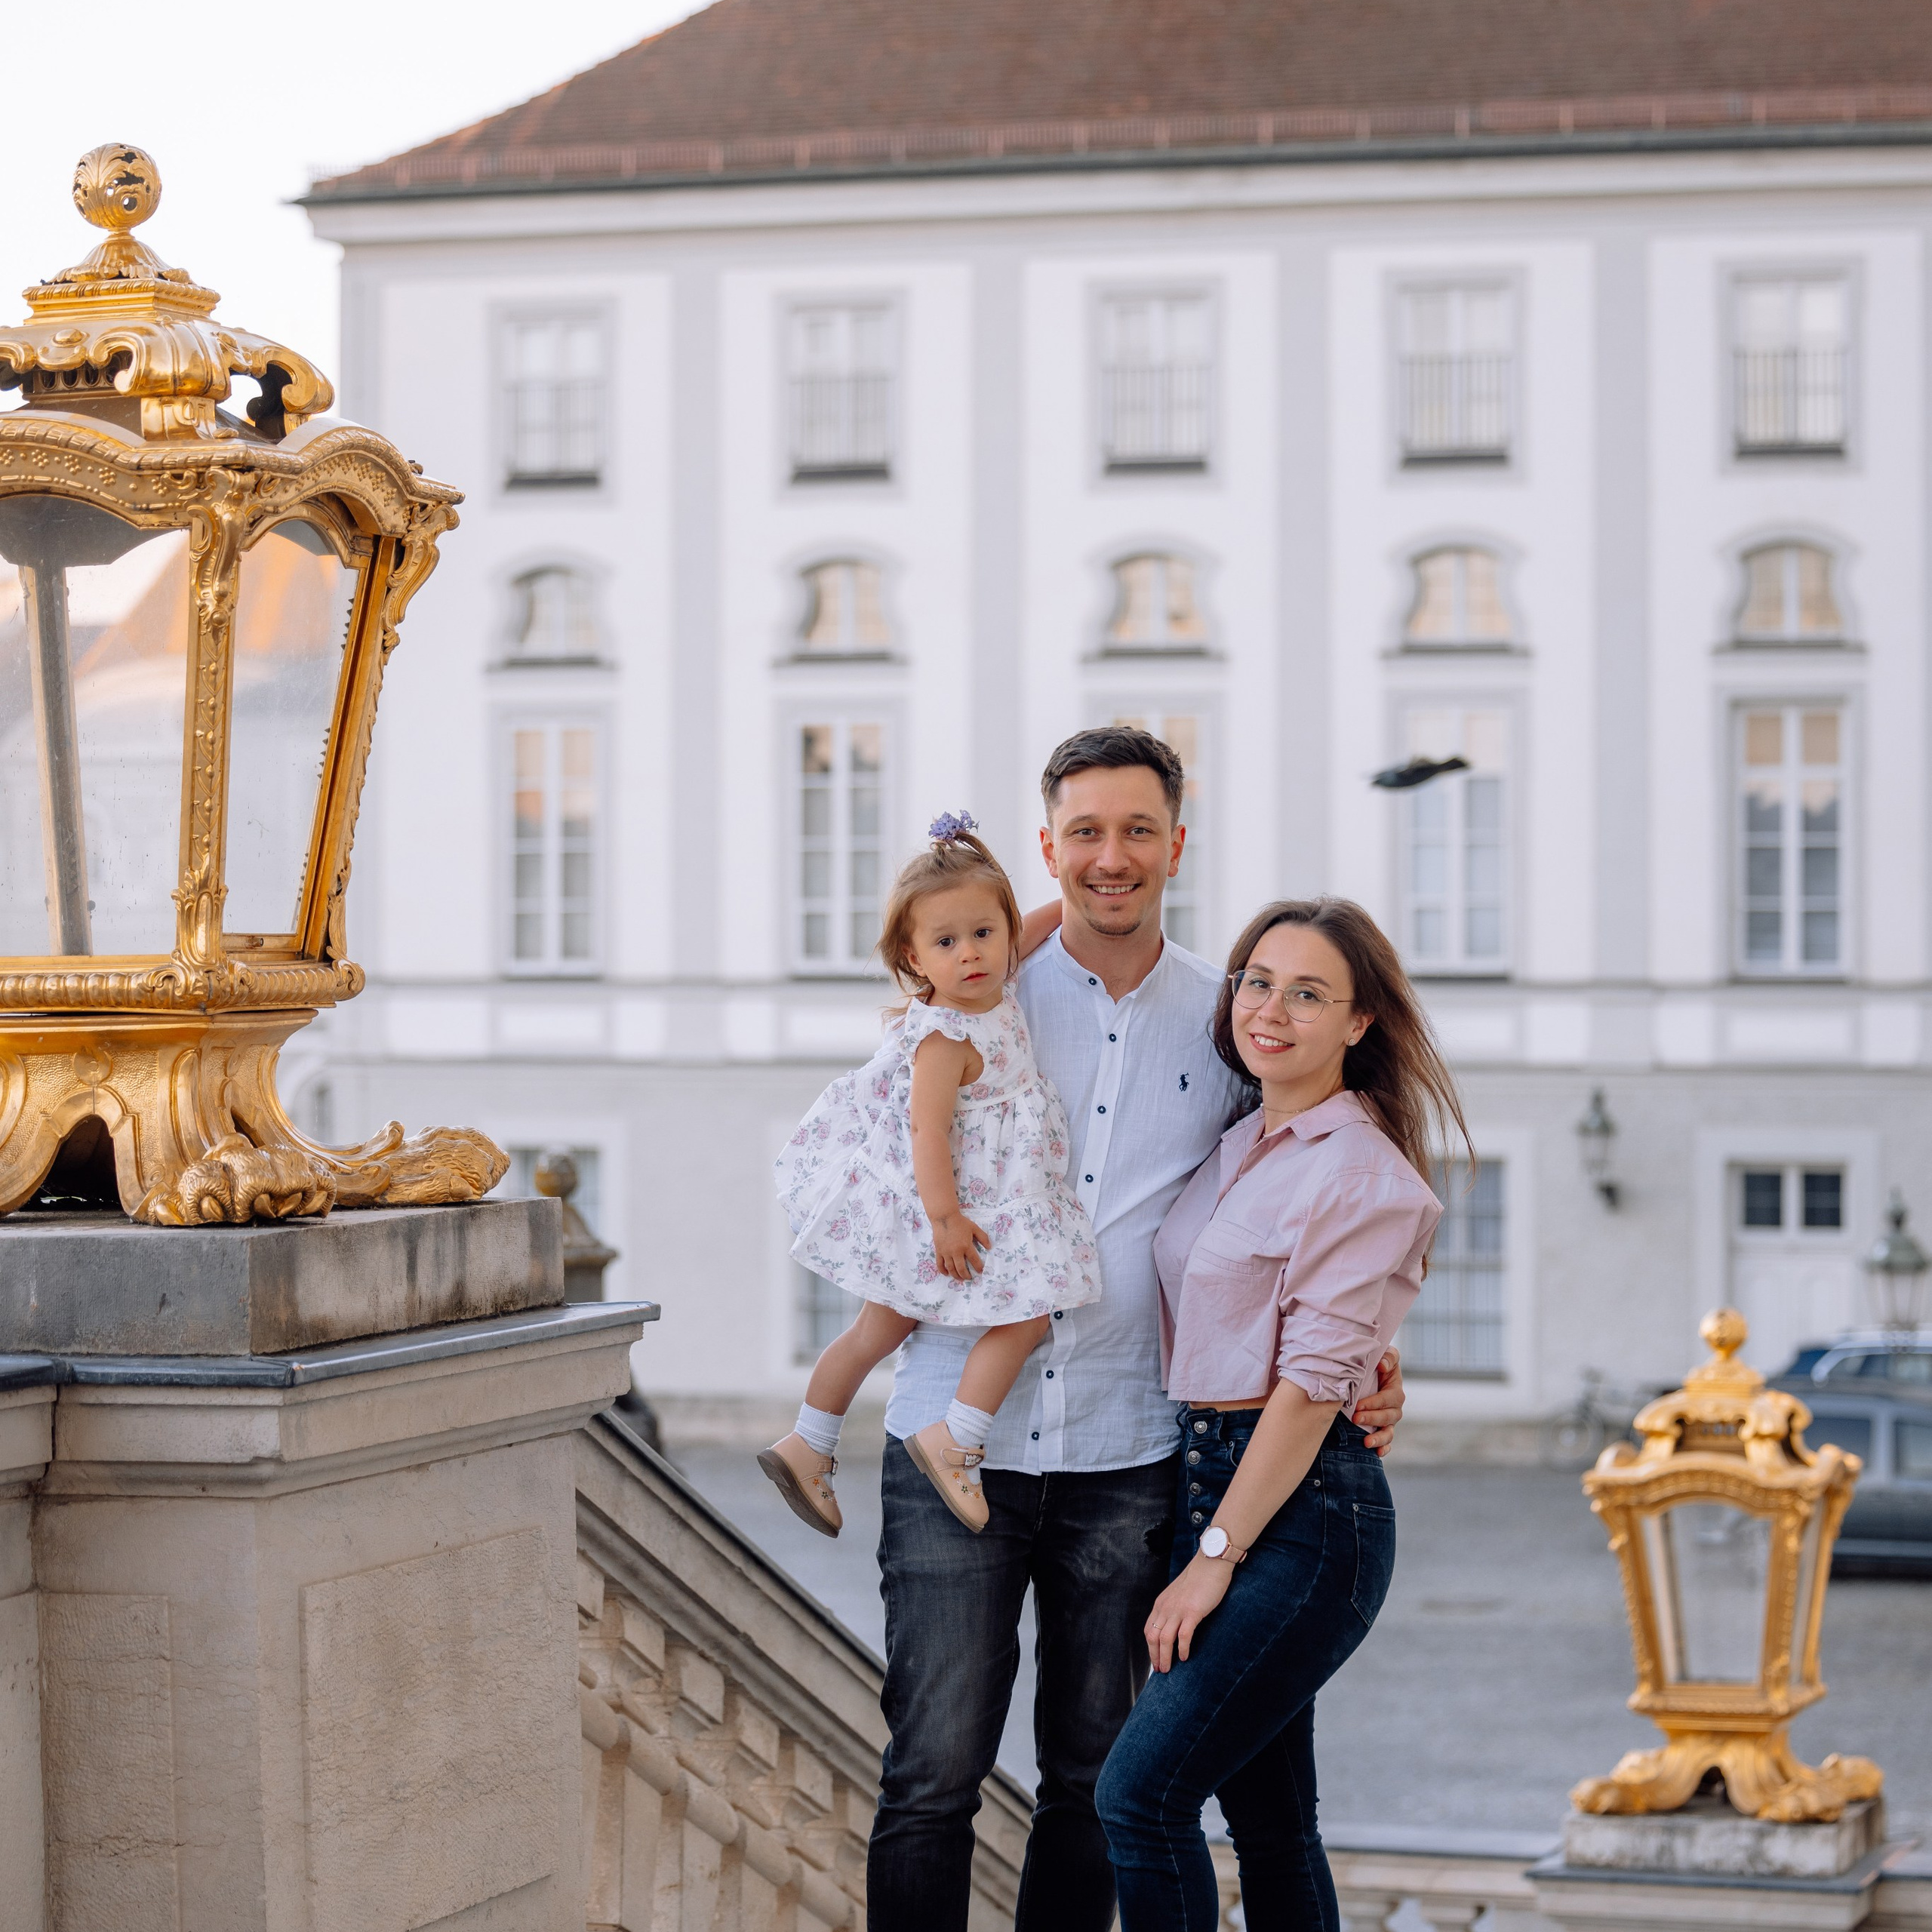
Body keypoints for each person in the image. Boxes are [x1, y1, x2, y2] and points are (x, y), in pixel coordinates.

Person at [865, 728, 1408, 1932]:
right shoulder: (979, 1000)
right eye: (1087, 833)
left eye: (1139, 831)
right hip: (956, 1432)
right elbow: (881, 1166)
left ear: (1176, 841)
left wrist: (1368, 1347)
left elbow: (1286, 1203)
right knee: (930, 1778)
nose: (1113, 858)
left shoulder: (1231, 1022)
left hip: (1130, 1452)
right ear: (1048, 844)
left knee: (1090, 1779)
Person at [1095, 897, 1469, 1930]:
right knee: (1269, 1821)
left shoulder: (1362, 1173)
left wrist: (1215, 1553)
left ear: (1359, 1024)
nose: (1272, 1009)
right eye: (1257, 981)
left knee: (1140, 1796)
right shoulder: (1237, 1140)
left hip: (1300, 1520)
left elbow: (1306, 1393)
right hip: (1210, 1478)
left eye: (1309, 994)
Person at [764, 815, 1100, 1537]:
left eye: (985, 933)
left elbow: (1043, 924)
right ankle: (956, 1440)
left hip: (980, 1200)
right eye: (946, 943)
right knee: (1027, 1312)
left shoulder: (995, 986)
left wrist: (1075, 904)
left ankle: (808, 1442)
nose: (971, 954)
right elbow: (928, 1132)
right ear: (915, 962)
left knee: (878, 1329)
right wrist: (946, 1221)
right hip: (958, 1210)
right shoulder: (945, 1036)